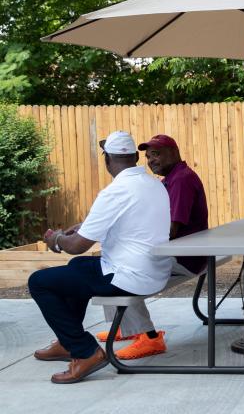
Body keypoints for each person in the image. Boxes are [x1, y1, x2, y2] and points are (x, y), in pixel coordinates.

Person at [29, 131, 173, 384]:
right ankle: (67, 342)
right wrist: (82, 227)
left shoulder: (115, 191)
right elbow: (121, 221)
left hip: (129, 277)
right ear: (133, 157)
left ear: (107, 159)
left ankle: (85, 352)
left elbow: (77, 245)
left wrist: (57, 240)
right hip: (155, 270)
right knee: (77, 268)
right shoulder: (153, 184)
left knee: (39, 281)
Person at [96, 134, 209, 359]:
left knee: (126, 268)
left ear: (174, 153)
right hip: (184, 252)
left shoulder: (181, 180)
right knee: (113, 256)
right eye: (147, 157)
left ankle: (149, 337)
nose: (151, 160)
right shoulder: (171, 178)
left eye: (156, 154)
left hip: (186, 258)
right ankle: (127, 327)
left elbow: (170, 230)